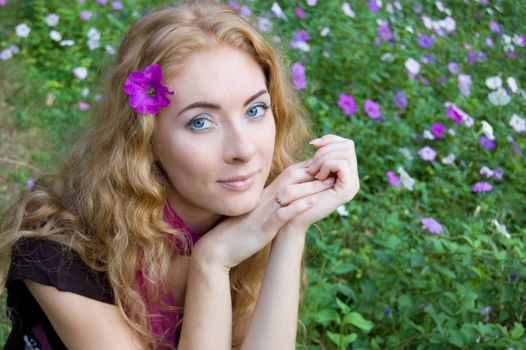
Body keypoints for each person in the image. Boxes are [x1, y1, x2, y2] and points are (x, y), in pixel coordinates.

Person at [0, 1, 359, 349]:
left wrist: (291, 227)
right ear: (145, 137)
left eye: (255, 109)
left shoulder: (253, 217)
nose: (244, 149)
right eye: (201, 121)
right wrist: (211, 263)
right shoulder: (59, 251)